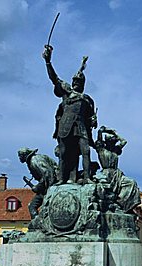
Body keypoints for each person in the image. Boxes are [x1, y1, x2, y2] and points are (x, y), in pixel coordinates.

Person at [42, 45, 97, 185]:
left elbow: (90, 117)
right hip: (66, 126)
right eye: (75, 81)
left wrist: (93, 120)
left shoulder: (87, 99)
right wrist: (48, 61)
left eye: (79, 81)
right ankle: (61, 179)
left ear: (83, 84)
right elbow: (54, 78)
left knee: (85, 150)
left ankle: (87, 177)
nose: (76, 83)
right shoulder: (67, 92)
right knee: (64, 152)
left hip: (81, 127)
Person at [18, 147, 58, 219]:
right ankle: (37, 222)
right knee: (32, 206)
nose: (19, 158)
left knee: (34, 206)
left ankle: (38, 222)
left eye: (20, 155)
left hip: (51, 186)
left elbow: (47, 173)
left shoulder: (35, 161)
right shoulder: (31, 161)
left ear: (24, 155)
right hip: (45, 188)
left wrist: (38, 187)